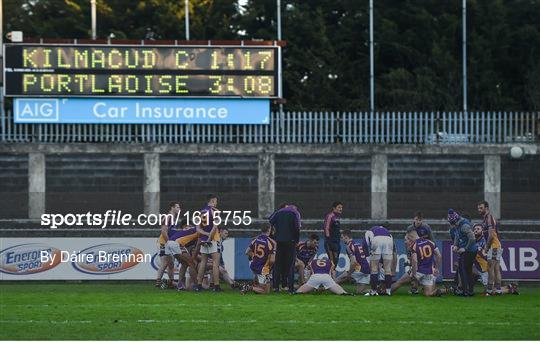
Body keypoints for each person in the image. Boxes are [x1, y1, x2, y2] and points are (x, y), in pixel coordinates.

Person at [472, 223, 518, 295]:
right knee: (466, 269)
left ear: (482, 231)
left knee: (491, 291)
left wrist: (481, 251)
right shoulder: (474, 241)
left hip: (485, 269)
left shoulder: (485, 241)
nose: (476, 230)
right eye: (474, 229)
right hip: (479, 268)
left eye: (478, 229)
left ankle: (509, 289)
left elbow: (486, 255)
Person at [269, 203, 301, 293]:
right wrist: (297, 240)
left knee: (277, 265)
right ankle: (290, 288)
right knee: (290, 265)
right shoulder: (295, 213)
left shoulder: (278, 212)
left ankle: (276, 287)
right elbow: (297, 228)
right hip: (290, 242)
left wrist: (273, 235)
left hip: (278, 242)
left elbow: (270, 221)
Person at [162, 220, 199, 291]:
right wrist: (193, 257)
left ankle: (179, 285)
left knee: (184, 263)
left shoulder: (189, 229)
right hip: (177, 243)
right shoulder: (198, 231)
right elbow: (196, 247)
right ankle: (196, 285)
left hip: (170, 243)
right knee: (191, 263)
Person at [195, 194, 222, 292]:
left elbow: (198, 229)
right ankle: (216, 286)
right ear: (213, 200)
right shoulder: (215, 211)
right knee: (215, 264)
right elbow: (215, 227)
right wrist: (209, 238)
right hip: (213, 239)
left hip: (203, 239)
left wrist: (205, 236)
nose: (217, 203)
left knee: (203, 262)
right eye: (216, 201)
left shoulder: (201, 212)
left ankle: (198, 285)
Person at [448, 209, 477, 296]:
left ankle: (466, 291)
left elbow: (472, 238)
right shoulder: (457, 225)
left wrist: (465, 248)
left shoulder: (464, 226)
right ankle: (469, 291)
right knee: (467, 270)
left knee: (463, 269)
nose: (451, 225)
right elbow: (457, 235)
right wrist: (455, 245)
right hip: (469, 250)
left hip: (470, 251)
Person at [477, 201, 503, 295]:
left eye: (481, 208)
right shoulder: (486, 218)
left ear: (486, 208)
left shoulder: (489, 218)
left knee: (491, 268)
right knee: (496, 268)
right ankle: (499, 290)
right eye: (478, 208)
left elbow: (491, 234)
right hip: (496, 245)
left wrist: (486, 247)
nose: (479, 210)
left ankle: (489, 290)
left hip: (494, 245)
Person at [243, 224, 276, 294]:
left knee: (262, 284)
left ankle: (254, 286)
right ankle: (249, 287)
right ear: (269, 230)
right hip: (263, 268)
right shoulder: (271, 242)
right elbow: (272, 260)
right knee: (266, 291)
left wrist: (255, 257)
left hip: (253, 264)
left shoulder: (255, 239)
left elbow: (246, 252)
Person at [155, 201, 180, 288]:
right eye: (177, 207)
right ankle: (158, 282)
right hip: (163, 243)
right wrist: (168, 242)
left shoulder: (172, 217)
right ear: (172, 208)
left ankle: (171, 282)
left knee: (171, 263)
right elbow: (163, 231)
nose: (179, 209)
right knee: (165, 263)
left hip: (167, 242)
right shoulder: (168, 217)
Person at [364, 225, 394, 296]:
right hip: (389, 240)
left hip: (376, 240)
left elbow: (364, 245)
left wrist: (368, 259)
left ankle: (374, 291)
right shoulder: (387, 232)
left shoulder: (368, 231)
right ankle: (388, 291)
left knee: (374, 268)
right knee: (387, 269)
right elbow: (393, 248)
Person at [340, 229, 370, 294]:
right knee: (359, 292)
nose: (341, 239)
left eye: (342, 237)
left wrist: (349, 274)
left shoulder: (349, 246)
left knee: (340, 278)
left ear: (346, 237)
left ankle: (324, 289)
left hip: (360, 268)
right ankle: (375, 291)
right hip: (367, 269)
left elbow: (353, 262)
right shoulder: (358, 244)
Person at [323, 202, 343, 268]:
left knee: (335, 262)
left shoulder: (337, 217)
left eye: (341, 207)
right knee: (332, 262)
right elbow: (326, 228)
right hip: (330, 243)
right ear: (334, 208)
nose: (341, 209)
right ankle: (330, 277)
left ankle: (332, 276)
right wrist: (329, 241)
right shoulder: (330, 216)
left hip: (337, 243)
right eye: (339, 207)